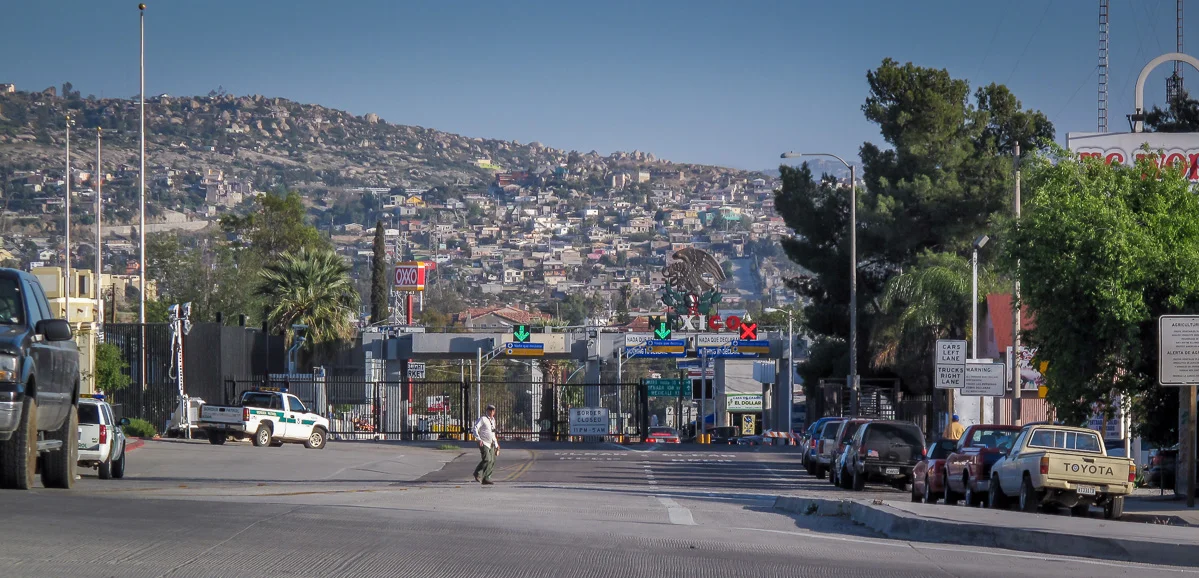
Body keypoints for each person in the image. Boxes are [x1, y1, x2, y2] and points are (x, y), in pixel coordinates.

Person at [472, 404, 500, 485]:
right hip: (483, 442)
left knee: (492, 460)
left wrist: (496, 444)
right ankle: (477, 473)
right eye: (490, 410)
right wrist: (478, 439)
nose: (491, 412)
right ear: (487, 410)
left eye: (493, 410)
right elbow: (475, 428)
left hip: (491, 443)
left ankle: (486, 478)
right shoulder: (483, 419)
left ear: (494, 412)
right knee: (487, 459)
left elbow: (493, 433)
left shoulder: (493, 420)